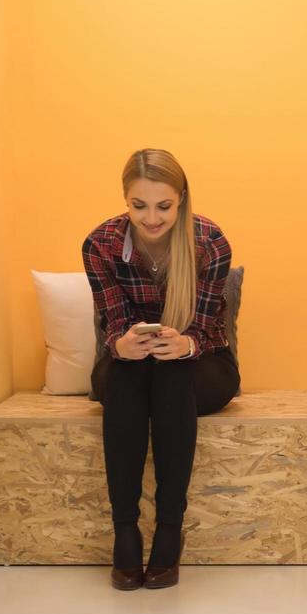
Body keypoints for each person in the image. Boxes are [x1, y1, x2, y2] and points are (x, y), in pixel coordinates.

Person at [82, 149, 239, 591]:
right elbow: (112, 323)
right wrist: (123, 344)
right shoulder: (101, 244)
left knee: (169, 372)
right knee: (133, 374)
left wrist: (186, 344)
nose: (151, 218)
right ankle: (125, 532)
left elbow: (208, 329)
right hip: (127, 368)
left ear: (182, 199)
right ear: (125, 200)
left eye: (164, 206)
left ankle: (170, 530)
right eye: (139, 206)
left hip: (203, 366)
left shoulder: (209, 242)